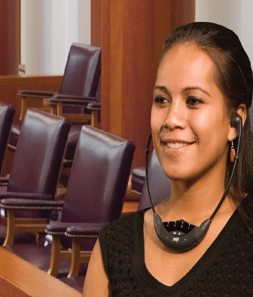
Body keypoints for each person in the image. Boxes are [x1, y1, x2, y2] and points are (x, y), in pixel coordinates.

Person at [82, 22, 253, 296]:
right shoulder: (114, 247)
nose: (171, 119)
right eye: (161, 99)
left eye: (194, 100)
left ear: (236, 121)